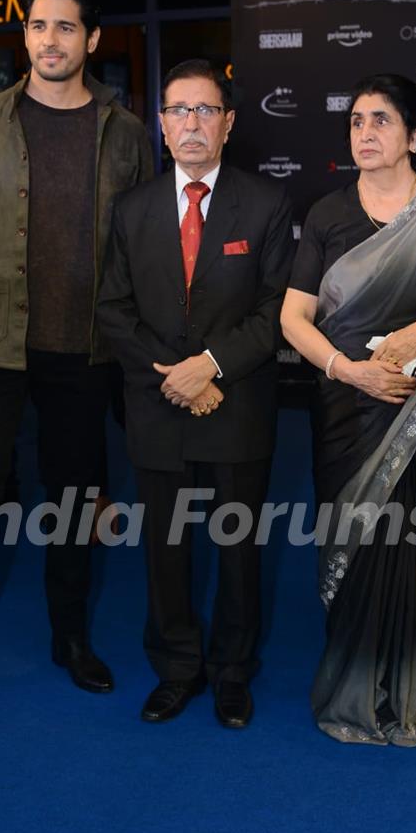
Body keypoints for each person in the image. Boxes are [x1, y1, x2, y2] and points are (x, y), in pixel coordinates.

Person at [0, 0, 154, 715]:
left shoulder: (126, 136)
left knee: (76, 500)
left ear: (90, 39)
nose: (48, 40)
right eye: (35, 26)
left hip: (86, 352)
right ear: (23, 36)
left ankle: (70, 638)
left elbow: (144, 251)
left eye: (64, 27)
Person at [280, 73, 416, 747]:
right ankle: (357, 686)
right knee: (356, 548)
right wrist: (349, 371)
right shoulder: (326, 214)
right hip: (349, 414)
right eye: (355, 122)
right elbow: (293, 317)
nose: (365, 133)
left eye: (380, 120)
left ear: (415, 135)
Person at [97, 59, 294, 728]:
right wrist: (178, 378)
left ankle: (234, 671)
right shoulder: (132, 209)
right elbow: (114, 310)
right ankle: (178, 668)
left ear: (228, 123)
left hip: (235, 403)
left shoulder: (266, 205)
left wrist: (209, 367)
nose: (190, 123)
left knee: (239, 550)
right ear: (160, 124)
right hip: (158, 406)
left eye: (205, 110)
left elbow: (275, 315)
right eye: (178, 110)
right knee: (167, 549)